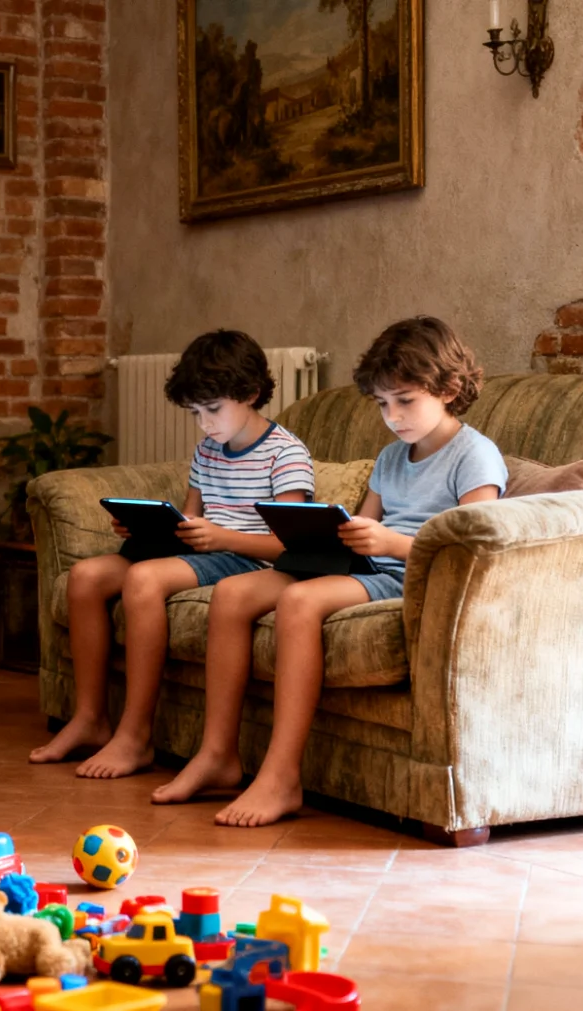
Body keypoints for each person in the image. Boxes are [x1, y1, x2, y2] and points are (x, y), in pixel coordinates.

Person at [153, 317, 507, 826]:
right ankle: (216, 755)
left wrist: (391, 543)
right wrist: (329, 536)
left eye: (405, 401)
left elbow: (476, 549)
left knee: (299, 601)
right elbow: (361, 525)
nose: (392, 417)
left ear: (449, 389)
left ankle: (281, 777)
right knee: (232, 593)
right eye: (382, 404)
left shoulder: (474, 456)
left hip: (409, 575)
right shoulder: (391, 457)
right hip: (364, 567)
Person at [29, 330, 315, 778]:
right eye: (196, 412)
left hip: (248, 558)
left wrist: (222, 537)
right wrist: (148, 529)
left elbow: (290, 545)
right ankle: (89, 719)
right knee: (85, 577)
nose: (205, 423)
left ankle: (135, 736)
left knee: (144, 579)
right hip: (206, 551)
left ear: (251, 394)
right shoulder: (207, 451)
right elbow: (189, 518)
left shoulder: (286, 454)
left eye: (213, 409)